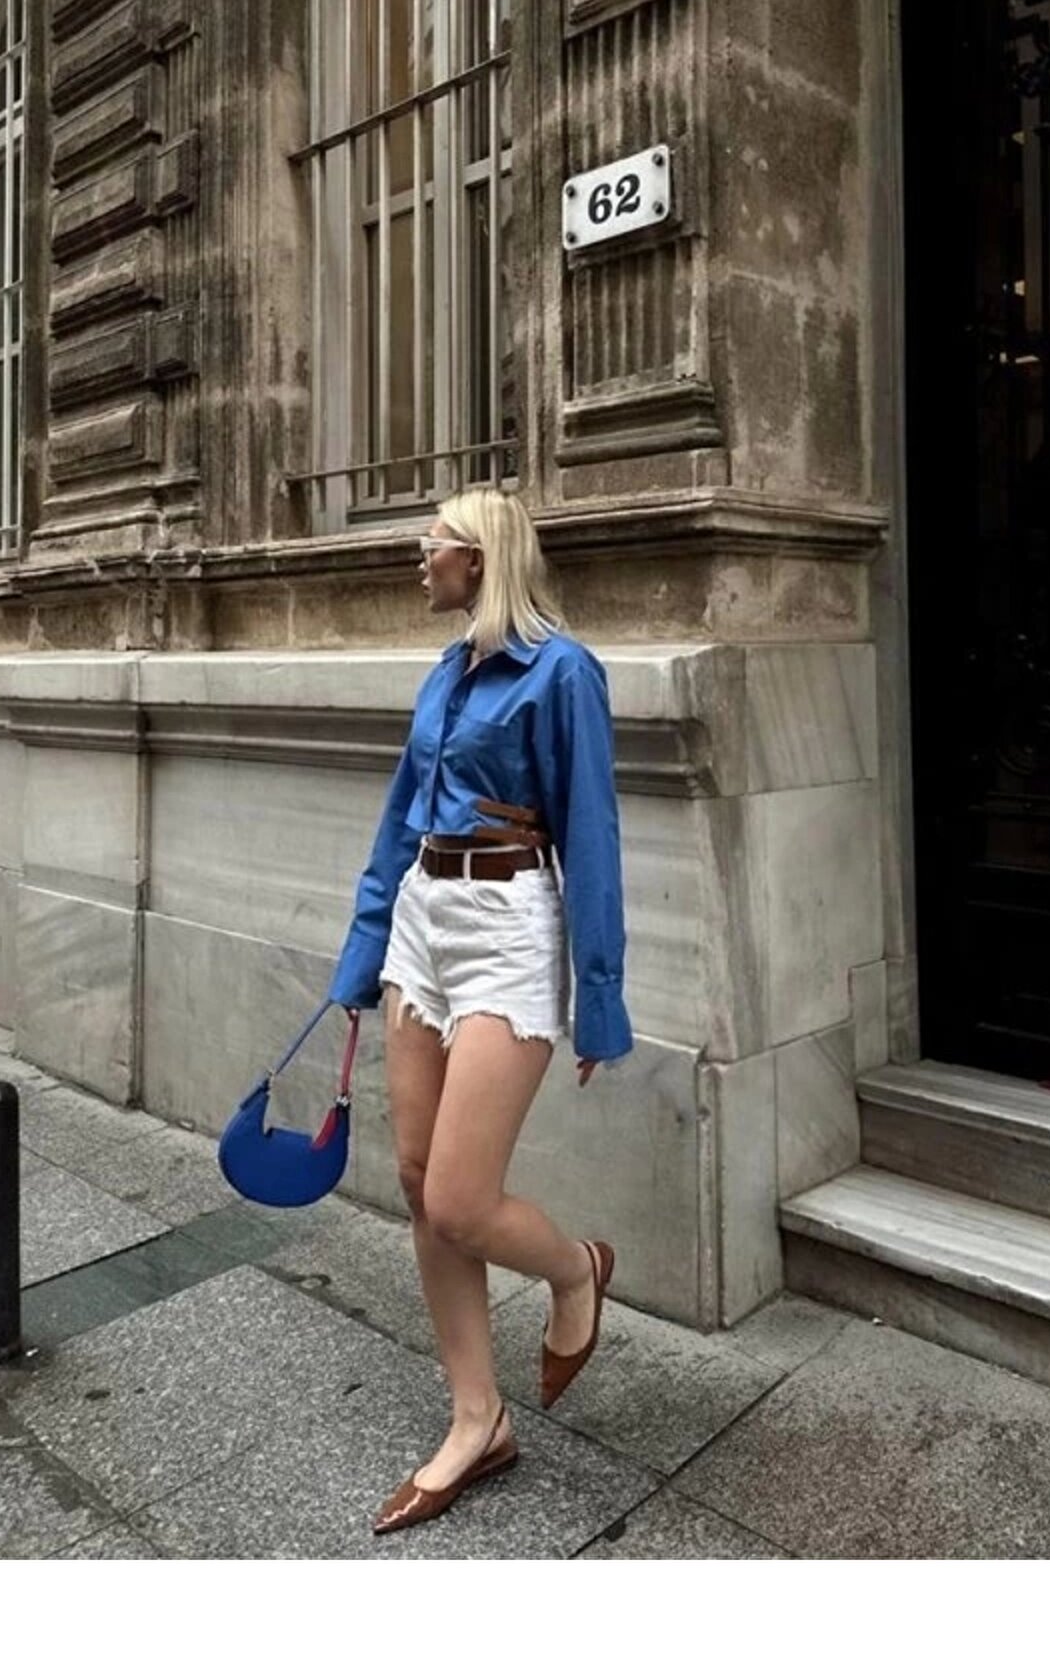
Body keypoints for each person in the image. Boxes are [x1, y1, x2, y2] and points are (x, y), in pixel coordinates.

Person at [327, 482, 634, 1534]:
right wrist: (362, 959)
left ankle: (576, 1270)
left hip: (508, 926)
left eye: (436, 541)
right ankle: (478, 1417)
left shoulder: (562, 671)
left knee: (463, 1199)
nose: (421, 556)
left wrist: (599, 995)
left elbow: (591, 832)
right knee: (420, 1183)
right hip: (424, 917)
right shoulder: (445, 672)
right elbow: (396, 822)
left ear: (482, 559)